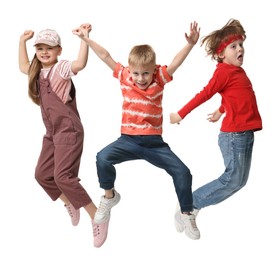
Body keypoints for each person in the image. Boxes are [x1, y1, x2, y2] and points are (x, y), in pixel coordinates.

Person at [73, 22, 201, 240]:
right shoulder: (125, 77)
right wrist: (86, 39)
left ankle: (186, 212)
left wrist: (189, 45)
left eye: (145, 73)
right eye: (137, 73)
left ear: (154, 70)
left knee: (183, 172)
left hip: (154, 144)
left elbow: (175, 64)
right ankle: (109, 196)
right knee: (102, 158)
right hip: (128, 141)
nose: (141, 78)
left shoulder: (159, 78)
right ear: (130, 71)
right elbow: (105, 56)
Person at [18, 24, 109, 248]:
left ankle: (98, 216)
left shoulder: (62, 69)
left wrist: (84, 39)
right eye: (39, 48)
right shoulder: (37, 72)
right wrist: (22, 41)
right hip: (52, 133)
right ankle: (70, 202)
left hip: (69, 130)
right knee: (42, 175)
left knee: (63, 177)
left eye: (49, 48)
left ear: (59, 50)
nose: (44, 52)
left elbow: (81, 64)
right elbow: (22, 65)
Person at [170, 18, 262, 232]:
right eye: (233, 46)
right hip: (234, 136)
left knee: (239, 181)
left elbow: (235, 96)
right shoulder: (222, 72)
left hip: (245, 134)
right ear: (221, 54)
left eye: (241, 45)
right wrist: (180, 114)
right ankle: (189, 205)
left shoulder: (237, 72)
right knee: (232, 179)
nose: (240, 49)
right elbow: (205, 94)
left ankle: (191, 205)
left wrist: (220, 111)